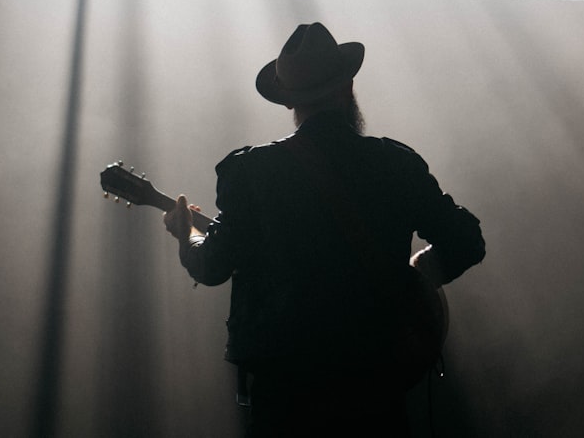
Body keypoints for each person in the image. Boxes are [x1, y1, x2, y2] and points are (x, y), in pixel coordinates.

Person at [164, 22, 485, 437]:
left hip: (286, 402)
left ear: (290, 103)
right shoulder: (395, 163)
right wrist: (419, 271)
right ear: (348, 88)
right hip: (377, 393)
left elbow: (211, 266)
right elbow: (466, 241)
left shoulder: (252, 171)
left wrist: (186, 233)